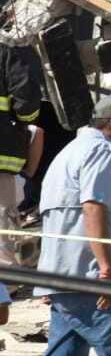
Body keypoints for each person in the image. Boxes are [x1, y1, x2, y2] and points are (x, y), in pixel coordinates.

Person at [37, 94, 111, 356]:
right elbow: (93, 206)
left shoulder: (71, 152)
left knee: (66, 351)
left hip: (66, 277)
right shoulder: (102, 152)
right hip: (94, 280)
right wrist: (106, 270)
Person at [0, 37, 42, 267]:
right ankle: (6, 287)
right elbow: (26, 102)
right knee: (2, 235)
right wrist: (24, 122)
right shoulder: (6, 52)